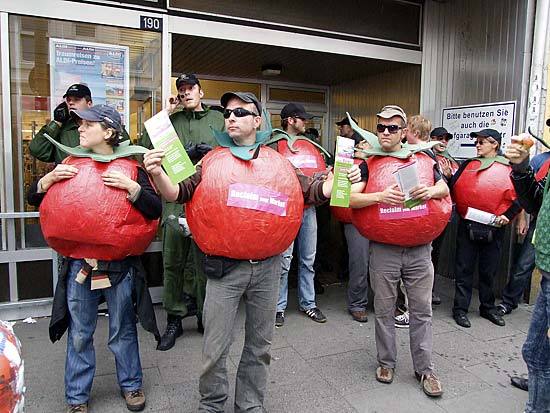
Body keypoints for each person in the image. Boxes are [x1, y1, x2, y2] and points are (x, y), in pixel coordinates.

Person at [143, 91, 360, 412]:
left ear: (258, 122)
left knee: (259, 345)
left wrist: (341, 178)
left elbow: (311, 190)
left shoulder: (278, 162)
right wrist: (158, 173)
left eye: (240, 113)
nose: (231, 117)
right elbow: (178, 191)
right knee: (215, 347)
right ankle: (212, 405)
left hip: (267, 269)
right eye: (227, 113)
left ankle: (250, 404)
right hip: (224, 270)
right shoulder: (212, 160)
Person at [28, 105, 161, 413]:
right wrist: (46, 182)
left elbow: (155, 208)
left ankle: (131, 385)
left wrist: (133, 188)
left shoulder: (131, 167)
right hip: (81, 265)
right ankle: (77, 397)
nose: (81, 129)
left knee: (122, 329)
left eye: (88, 124)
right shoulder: (69, 163)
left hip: (118, 267)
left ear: (109, 132)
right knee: (80, 333)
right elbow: (33, 198)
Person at [350, 105, 449, 397]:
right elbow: (349, 199)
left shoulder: (424, 157)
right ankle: (386, 362)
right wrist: (379, 196)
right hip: (384, 250)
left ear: (404, 131)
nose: (385, 132)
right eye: (381, 127)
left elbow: (444, 189)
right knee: (383, 309)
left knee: (422, 311)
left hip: (419, 250)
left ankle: (425, 369)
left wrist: (430, 192)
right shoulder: (369, 162)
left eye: (393, 128)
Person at [140, 73, 224, 351]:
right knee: (173, 263)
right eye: (182, 89)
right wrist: (166, 111)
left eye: (191, 89)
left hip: (206, 200)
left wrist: (210, 151)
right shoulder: (170, 122)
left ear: (201, 91)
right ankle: (175, 317)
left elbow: (231, 150)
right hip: (175, 201)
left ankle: (203, 315)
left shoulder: (217, 120)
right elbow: (143, 144)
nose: (186, 93)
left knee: (204, 265)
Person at [450, 129, 521, 328]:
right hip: (468, 224)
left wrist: (507, 216)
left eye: (482, 141)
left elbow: (521, 197)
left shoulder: (510, 168)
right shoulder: (467, 165)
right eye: (477, 142)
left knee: (488, 270)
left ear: (495, 144)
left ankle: (487, 307)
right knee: (464, 268)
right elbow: (453, 187)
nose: (478, 145)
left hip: (494, 227)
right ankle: (460, 309)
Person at [506, 124, 550, 412]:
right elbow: (535, 203)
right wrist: (521, 169)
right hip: (547, 270)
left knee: (537, 354)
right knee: (535, 353)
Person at [273, 103, 328, 326]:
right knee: (284, 261)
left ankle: (309, 303)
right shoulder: (275, 145)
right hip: (285, 211)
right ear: (290, 120)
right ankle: (278, 307)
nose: (306, 122)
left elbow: (319, 172)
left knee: (308, 260)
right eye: (302, 119)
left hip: (308, 210)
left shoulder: (310, 146)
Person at [496, 152, 550, 316]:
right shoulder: (542, 160)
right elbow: (527, 194)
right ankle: (508, 302)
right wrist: (523, 219)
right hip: (541, 225)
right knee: (524, 265)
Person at [29, 83, 129, 164]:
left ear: (89, 103)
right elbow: (37, 150)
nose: (71, 103)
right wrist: (56, 122)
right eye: (68, 100)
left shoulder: (106, 123)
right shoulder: (61, 128)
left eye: (76, 100)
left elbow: (128, 156)